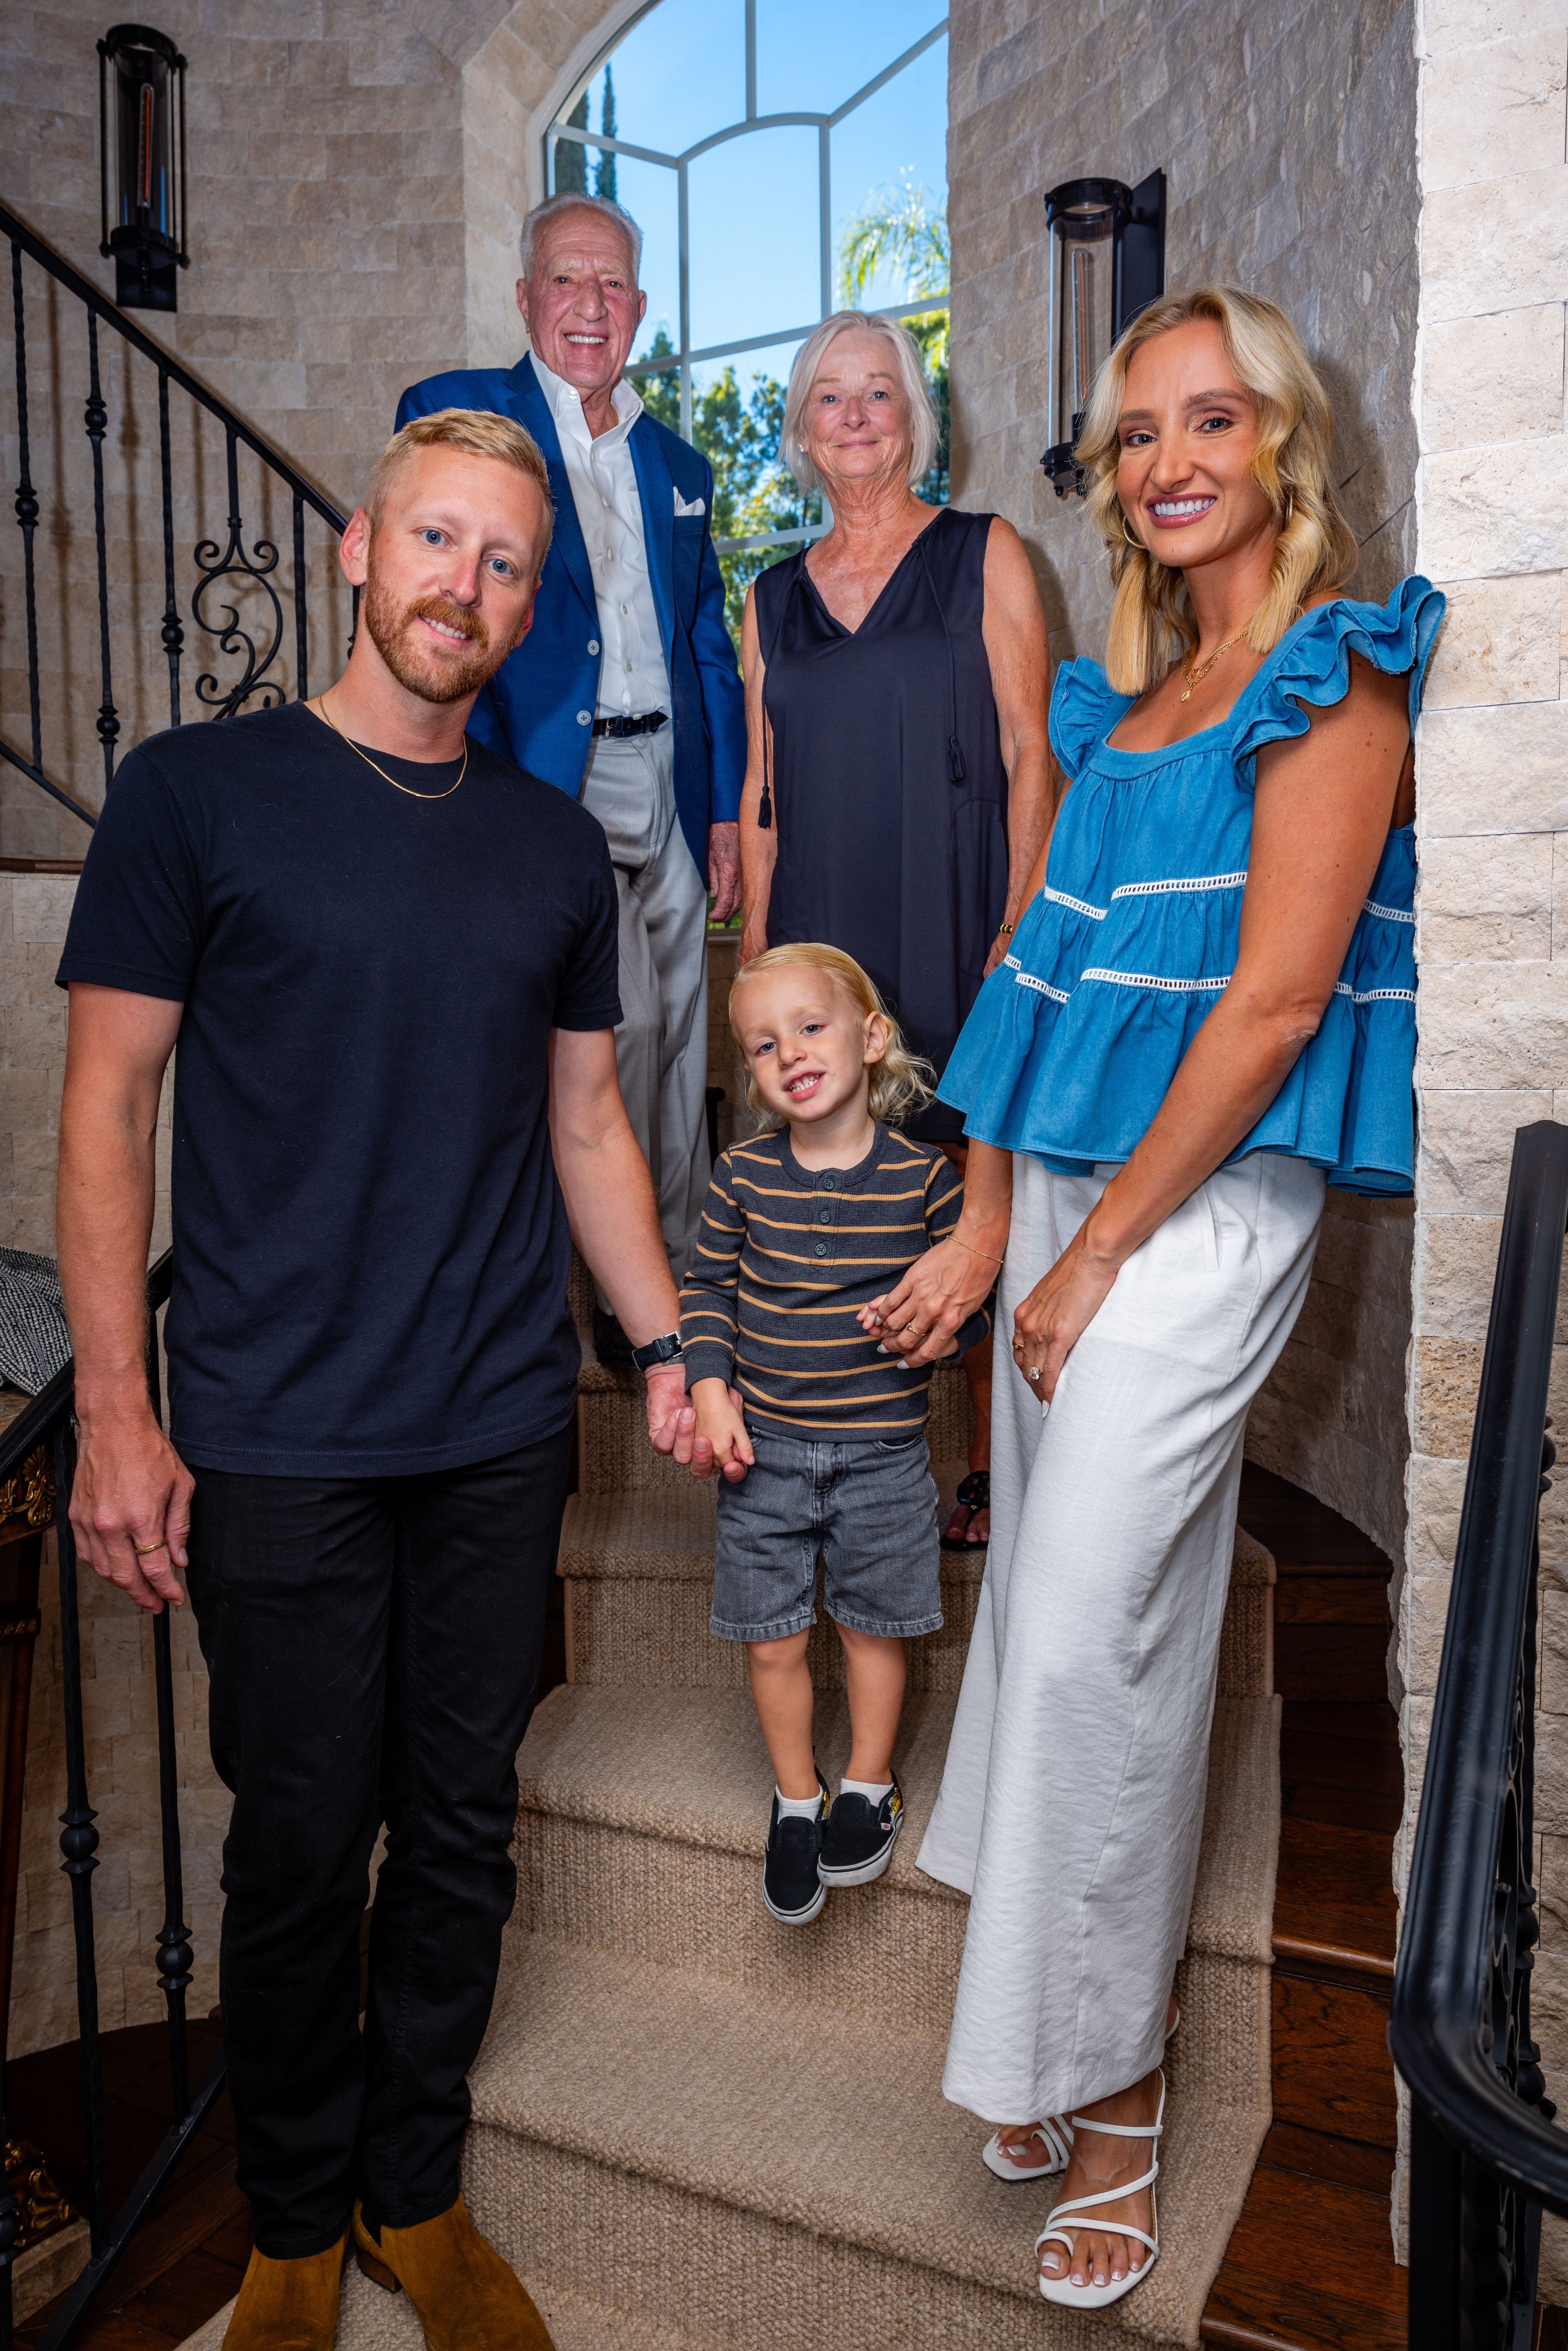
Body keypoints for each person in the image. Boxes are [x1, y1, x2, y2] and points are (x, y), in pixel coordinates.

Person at [53, 410, 694, 2351]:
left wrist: (665, 1341)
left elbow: (589, 1126)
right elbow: (107, 1109)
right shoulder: (192, 794)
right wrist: (114, 1412)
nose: (463, 587)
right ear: (356, 547)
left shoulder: (551, 846)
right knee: (299, 1840)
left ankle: (413, 2192)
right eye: (435, 541)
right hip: (275, 1428)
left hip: (496, 1420)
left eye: (504, 564)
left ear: (528, 603)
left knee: (463, 1825)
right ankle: (287, 2223)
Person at [859, 288, 1444, 2308]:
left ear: (1279, 439)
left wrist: (1099, 1251)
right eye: (1136, 432)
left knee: (1088, 1624)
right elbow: (1026, 980)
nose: (1170, 459)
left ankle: (1111, 2077)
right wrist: (990, 1225)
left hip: (1194, 1214)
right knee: (1054, 1599)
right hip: (1062, 1191)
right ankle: (1066, 2003)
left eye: (1210, 419)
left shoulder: (1328, 671)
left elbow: (1274, 1004)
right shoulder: (1125, 706)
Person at [396, 193, 746, 1365]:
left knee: (684, 1032)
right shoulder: (458, 412)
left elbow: (706, 641)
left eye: (611, 285)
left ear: (638, 308)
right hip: (547, 772)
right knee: (616, 1024)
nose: (589, 304)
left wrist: (724, 809)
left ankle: (681, 1278)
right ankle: (613, 1281)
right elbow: (440, 594)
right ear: (525, 297)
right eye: (566, 278)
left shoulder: (678, 462)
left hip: (669, 776)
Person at [737, 309, 1054, 1554]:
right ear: (804, 432)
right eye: (832, 395)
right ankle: (849, 1457)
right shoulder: (768, 599)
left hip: (957, 908)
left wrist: (1020, 921)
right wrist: (758, 965)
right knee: (843, 1184)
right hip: (824, 928)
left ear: (914, 419)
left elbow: (1032, 753)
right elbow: (762, 794)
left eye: (880, 391)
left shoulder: (985, 552)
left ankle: (987, 1464)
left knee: (967, 1173)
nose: (857, 413)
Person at [673, 944, 991, 1927]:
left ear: (872, 1036)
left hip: (883, 1460)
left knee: (872, 1627)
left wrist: (934, 1327)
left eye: (810, 1027)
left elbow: (968, 1307)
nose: (791, 1054)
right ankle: (796, 1798)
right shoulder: (740, 1177)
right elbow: (707, 1290)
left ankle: (868, 1782)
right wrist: (710, 1389)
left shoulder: (927, 1182)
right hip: (762, 1457)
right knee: (773, 1641)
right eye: (763, 1045)